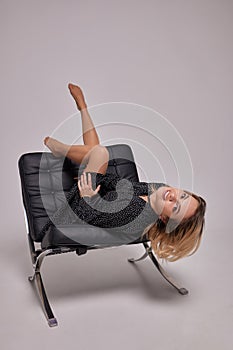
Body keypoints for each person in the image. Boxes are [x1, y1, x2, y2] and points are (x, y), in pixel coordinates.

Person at [43, 83, 206, 262]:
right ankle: (82, 109)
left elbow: (89, 217)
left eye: (175, 208)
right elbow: (119, 184)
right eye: (182, 196)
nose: (173, 197)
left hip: (76, 212)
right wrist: (98, 177)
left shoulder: (135, 214)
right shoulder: (159, 191)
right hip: (96, 192)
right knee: (97, 151)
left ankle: (63, 144)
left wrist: (88, 195)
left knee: (99, 152)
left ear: (165, 219)